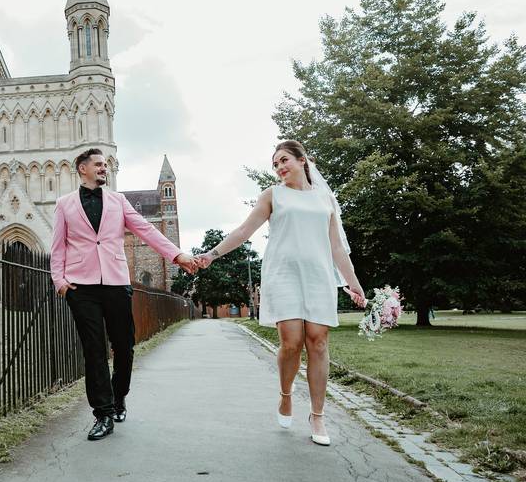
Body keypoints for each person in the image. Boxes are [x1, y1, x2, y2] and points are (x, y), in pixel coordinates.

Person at [196, 140, 366, 446]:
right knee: (292, 342)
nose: (279, 167)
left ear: (303, 160)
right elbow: (243, 232)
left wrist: (353, 283)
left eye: (284, 160)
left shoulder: (325, 199)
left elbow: (337, 248)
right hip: (283, 274)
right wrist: (212, 254)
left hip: (318, 276)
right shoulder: (273, 195)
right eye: (275, 164)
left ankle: (317, 415)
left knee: (318, 341)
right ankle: (286, 394)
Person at [50, 148, 199, 440]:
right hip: (81, 288)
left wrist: (177, 255)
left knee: (124, 346)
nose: (104, 169)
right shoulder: (64, 204)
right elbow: (57, 247)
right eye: (98, 164)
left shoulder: (119, 201)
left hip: (117, 283)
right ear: (82, 169)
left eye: (106, 165)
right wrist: (60, 282)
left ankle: (119, 397)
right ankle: (102, 413)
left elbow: (146, 230)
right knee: (94, 350)